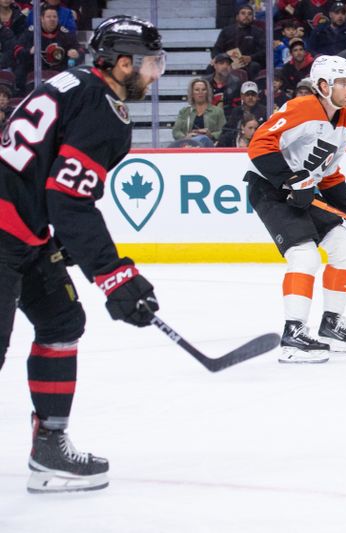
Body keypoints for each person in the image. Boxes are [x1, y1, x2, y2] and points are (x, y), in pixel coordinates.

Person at [0, 15, 165, 493]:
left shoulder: (69, 83)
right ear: (120, 63)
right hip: (7, 232)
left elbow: (45, 176)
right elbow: (69, 198)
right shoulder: (102, 107)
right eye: (151, 64)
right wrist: (112, 274)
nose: (156, 75)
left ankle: (49, 447)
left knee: (61, 322)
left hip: (23, 231)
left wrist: (65, 241)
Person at [245, 56, 346, 364]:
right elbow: (259, 145)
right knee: (304, 255)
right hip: (269, 188)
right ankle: (293, 334)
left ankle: (331, 324)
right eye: (343, 83)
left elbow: (329, 174)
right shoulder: (302, 107)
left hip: (305, 190)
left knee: (345, 246)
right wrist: (290, 180)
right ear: (323, 86)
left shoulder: (345, 119)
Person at [210, 3, 266, 80]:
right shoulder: (226, 31)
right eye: (243, 13)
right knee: (210, 67)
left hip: (249, 63)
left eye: (249, 14)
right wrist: (217, 58)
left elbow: (265, 51)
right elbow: (217, 48)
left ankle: (251, 90)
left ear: (253, 17)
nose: (246, 16)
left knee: (254, 66)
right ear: (237, 17)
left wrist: (251, 58)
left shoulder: (258, 32)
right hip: (228, 62)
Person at [171, 78, 226, 147]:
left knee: (204, 139)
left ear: (207, 92)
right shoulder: (185, 111)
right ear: (192, 93)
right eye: (197, 90)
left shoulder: (217, 111)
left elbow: (224, 132)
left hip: (210, 146)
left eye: (203, 90)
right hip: (188, 145)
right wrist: (186, 137)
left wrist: (211, 135)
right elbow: (176, 131)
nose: (201, 92)